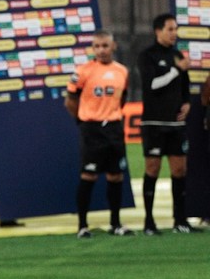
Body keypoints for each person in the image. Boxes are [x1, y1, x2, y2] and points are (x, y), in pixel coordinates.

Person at [65, 31, 132, 238]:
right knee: (89, 175)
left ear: (114, 46)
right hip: (92, 129)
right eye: (97, 46)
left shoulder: (122, 71)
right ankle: (82, 226)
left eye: (105, 46)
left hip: (114, 128)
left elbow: (122, 99)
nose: (101, 50)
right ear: (93, 49)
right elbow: (70, 101)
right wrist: (82, 121)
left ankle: (115, 223)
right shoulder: (83, 71)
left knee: (116, 175)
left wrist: (112, 115)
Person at [137, 13, 199, 234]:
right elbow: (152, 85)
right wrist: (176, 70)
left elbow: (185, 86)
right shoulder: (147, 56)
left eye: (176, 29)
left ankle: (180, 221)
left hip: (176, 124)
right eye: (170, 29)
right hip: (154, 122)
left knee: (180, 170)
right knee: (153, 169)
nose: (174, 33)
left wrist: (187, 104)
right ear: (158, 31)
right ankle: (149, 222)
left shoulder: (177, 55)